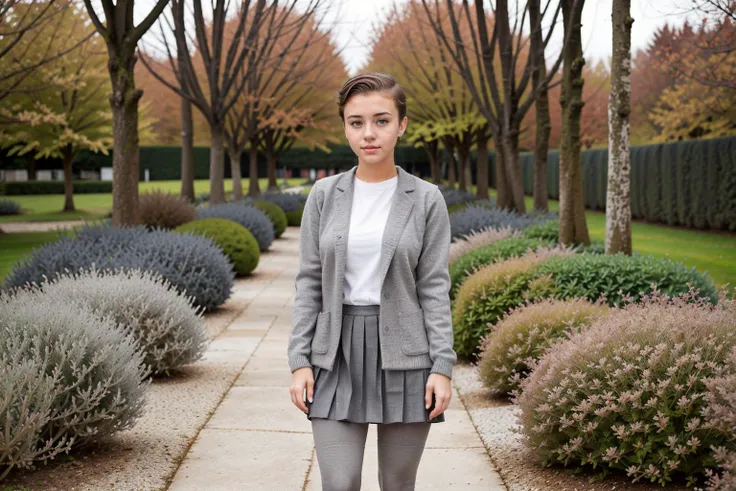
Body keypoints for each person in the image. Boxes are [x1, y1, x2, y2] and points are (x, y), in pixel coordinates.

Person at [287, 72, 457, 491]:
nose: (369, 134)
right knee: (339, 482)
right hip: (336, 354)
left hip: (406, 354)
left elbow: (434, 286)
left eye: (381, 121)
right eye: (356, 122)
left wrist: (443, 367)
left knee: (397, 484)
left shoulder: (426, 199)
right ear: (345, 126)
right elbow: (309, 282)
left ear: (401, 124)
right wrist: (300, 360)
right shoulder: (324, 195)